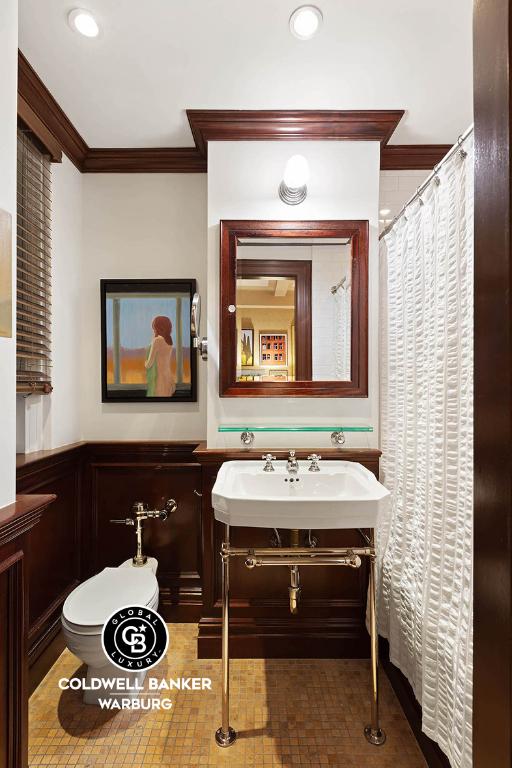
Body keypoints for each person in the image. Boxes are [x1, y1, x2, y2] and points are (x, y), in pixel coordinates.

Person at [145, 315, 176, 397]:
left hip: (160, 380)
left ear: (158, 328)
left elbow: (149, 364)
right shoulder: (169, 342)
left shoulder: (157, 341)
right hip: (169, 379)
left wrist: (145, 363)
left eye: (154, 327)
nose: (153, 330)